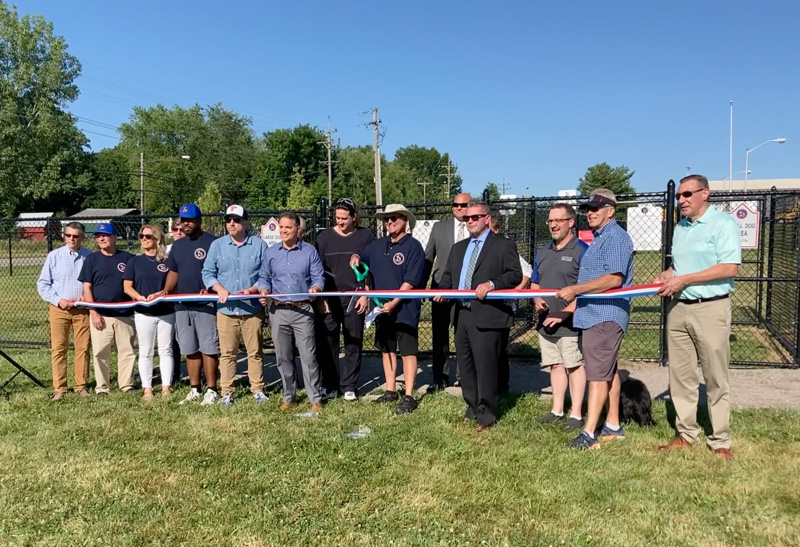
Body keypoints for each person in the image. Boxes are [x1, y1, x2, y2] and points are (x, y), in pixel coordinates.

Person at [655, 175, 740, 460]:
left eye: (688, 194)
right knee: (681, 376)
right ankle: (686, 433)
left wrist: (685, 280)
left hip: (711, 308)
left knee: (715, 376)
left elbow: (729, 268)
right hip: (679, 307)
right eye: (679, 196)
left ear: (706, 193)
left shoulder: (723, 224)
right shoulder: (681, 227)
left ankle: (720, 440)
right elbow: (678, 265)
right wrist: (669, 274)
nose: (682, 200)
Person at [556, 189, 634, 450]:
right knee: (608, 371)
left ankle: (589, 434)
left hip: (605, 315)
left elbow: (614, 279)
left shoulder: (616, 238)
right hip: (594, 316)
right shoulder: (600, 238)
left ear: (611, 211)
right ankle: (612, 425)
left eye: (596, 208)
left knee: (597, 376)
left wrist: (576, 290)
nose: (590, 212)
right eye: (588, 209)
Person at [435, 201, 522, 431]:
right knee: (466, 366)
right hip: (462, 313)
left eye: (475, 217)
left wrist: (492, 284)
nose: (470, 221)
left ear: (487, 218)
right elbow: (449, 276)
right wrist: (442, 290)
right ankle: (472, 408)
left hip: (488, 315)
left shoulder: (503, 245)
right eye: (467, 218)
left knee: (486, 367)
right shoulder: (459, 248)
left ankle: (486, 415)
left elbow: (515, 275)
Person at [350, 204, 426, 414]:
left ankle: (409, 395)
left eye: (394, 218)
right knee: (387, 349)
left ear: (405, 221)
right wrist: (355, 259)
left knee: (408, 352)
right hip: (381, 308)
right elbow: (359, 256)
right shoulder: (376, 245)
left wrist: (394, 302)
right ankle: (391, 390)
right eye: (386, 219)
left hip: (405, 308)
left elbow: (411, 280)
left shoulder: (413, 246)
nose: (390, 222)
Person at [202, 204, 269, 408]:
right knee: (227, 353)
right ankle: (227, 392)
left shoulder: (259, 245)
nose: (232, 223)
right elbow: (207, 272)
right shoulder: (217, 245)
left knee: (255, 351)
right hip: (226, 310)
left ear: (246, 223)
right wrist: (218, 288)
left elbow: (266, 274)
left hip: (252, 308)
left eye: (236, 220)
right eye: (228, 220)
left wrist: (254, 289)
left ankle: (257, 389)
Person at [258, 212, 325, 412]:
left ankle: (315, 398)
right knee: (283, 357)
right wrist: (263, 290)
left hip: (302, 310)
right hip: (277, 310)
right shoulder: (271, 253)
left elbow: (318, 278)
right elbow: (264, 277)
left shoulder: (309, 252)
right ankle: (289, 396)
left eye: (288, 227)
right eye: (282, 227)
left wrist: (316, 289)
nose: (284, 231)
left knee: (308, 356)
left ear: (298, 230)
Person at [528, 204, 588, 430]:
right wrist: (536, 299)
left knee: (574, 366)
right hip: (546, 322)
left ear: (571, 222)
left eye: (558, 221)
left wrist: (565, 313)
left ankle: (576, 414)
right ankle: (557, 410)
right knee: (555, 365)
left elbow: (587, 289)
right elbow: (535, 282)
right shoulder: (543, 251)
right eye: (550, 221)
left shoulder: (582, 250)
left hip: (571, 323)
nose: (553, 225)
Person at [314, 198, 373, 401]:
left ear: (354, 217)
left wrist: (366, 292)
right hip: (329, 298)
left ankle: (349, 386)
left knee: (353, 343)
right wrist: (320, 299)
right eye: (337, 218)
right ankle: (329, 385)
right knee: (327, 343)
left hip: (355, 298)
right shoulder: (324, 238)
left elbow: (371, 267)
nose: (340, 222)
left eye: (344, 218)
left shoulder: (366, 236)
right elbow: (317, 270)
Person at [165, 203, 220, 406]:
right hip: (182, 304)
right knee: (190, 348)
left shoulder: (213, 243)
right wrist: (166, 290)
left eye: (189, 220)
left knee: (209, 348)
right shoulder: (178, 246)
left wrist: (212, 289)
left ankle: (212, 389)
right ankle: (195, 389)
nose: (185, 224)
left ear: (199, 220)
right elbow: (173, 272)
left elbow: (219, 272)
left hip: (206, 304)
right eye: (182, 220)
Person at [77, 223, 136, 396]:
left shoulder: (127, 258)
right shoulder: (92, 259)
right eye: (98, 236)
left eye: (106, 235)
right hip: (100, 314)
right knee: (100, 353)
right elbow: (87, 288)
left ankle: (126, 385)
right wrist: (93, 312)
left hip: (124, 314)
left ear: (115, 238)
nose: (101, 238)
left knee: (127, 351)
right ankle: (102, 387)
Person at [36, 222, 92, 400]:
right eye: (68, 235)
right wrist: (58, 301)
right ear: (64, 236)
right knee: (58, 348)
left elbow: (94, 282)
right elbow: (43, 284)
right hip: (59, 309)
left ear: (83, 237)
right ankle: (60, 387)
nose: (72, 239)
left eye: (76, 236)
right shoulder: (54, 256)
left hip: (82, 309)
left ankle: (81, 385)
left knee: (82, 348)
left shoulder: (89, 257)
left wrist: (87, 298)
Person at [424, 192, 472, 390]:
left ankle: (464, 377)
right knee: (440, 336)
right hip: (440, 290)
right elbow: (428, 258)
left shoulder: (476, 227)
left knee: (464, 334)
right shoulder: (439, 227)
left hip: (467, 290)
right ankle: (440, 379)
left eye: (463, 205)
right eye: (455, 205)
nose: (459, 208)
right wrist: (420, 288)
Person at [123, 225, 175, 402]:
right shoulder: (135, 261)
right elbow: (127, 286)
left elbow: (173, 285)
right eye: (141, 236)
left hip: (166, 312)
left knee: (166, 350)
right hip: (144, 313)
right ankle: (147, 389)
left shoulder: (168, 261)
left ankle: (166, 387)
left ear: (157, 239)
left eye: (148, 236)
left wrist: (161, 294)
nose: (144, 239)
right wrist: (140, 297)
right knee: (145, 351)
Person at [488, 216, 532, 395]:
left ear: (496, 230)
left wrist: (516, 290)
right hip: (482, 308)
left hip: (502, 307)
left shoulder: (505, 247)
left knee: (499, 349)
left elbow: (526, 270)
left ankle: (501, 386)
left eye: (490, 229)